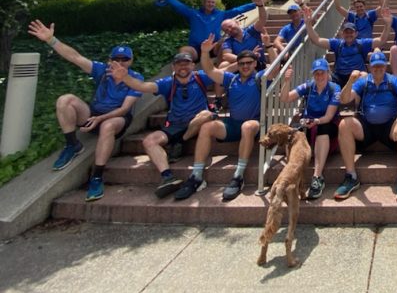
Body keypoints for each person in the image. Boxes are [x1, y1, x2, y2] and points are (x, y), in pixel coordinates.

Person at [28, 20, 143, 202]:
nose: (120, 63)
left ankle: (96, 177)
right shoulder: (102, 70)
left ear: (131, 61)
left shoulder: (136, 78)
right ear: (110, 60)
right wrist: (52, 40)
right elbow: (75, 57)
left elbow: (124, 109)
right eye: (116, 59)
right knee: (65, 100)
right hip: (93, 113)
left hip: (116, 118)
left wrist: (100, 119)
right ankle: (72, 144)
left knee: (107, 126)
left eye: (125, 60)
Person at [109, 50, 214, 199]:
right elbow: (144, 86)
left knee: (206, 115)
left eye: (186, 64)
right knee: (149, 141)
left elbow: (223, 72)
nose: (182, 67)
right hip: (175, 124)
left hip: (197, 123)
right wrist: (125, 77)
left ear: (192, 65)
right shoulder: (167, 83)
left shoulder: (201, 77)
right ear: (173, 67)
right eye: (179, 64)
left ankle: (180, 141)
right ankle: (167, 177)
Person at [174, 37, 264, 202]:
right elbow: (210, 70)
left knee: (247, 126)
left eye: (249, 62)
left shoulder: (260, 78)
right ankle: (197, 176)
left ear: (254, 64)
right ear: (238, 65)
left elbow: (275, 70)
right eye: (242, 63)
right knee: (207, 127)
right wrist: (206, 52)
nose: (245, 66)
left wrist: (270, 46)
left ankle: (238, 176)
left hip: (254, 124)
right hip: (233, 124)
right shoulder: (231, 79)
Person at [336, 51, 397, 202]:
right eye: (374, 67)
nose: (378, 69)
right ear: (370, 68)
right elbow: (344, 99)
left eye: (380, 66)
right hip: (367, 128)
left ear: (385, 67)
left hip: (389, 128)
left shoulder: (394, 81)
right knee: (344, 124)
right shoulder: (363, 82)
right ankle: (351, 177)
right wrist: (350, 81)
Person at [279, 58, 341, 200]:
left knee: (322, 129)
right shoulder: (308, 86)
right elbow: (285, 98)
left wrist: (316, 121)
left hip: (326, 123)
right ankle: (292, 176)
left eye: (322, 73)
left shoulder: (334, 88)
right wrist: (287, 81)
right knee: (292, 135)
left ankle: (317, 177)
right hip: (309, 123)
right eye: (316, 73)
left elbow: (329, 116)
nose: (319, 76)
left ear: (328, 73)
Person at [152, 0, 257, 55]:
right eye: (208, 2)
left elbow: (237, 10)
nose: (210, 4)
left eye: (212, 2)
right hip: (195, 48)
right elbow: (179, 6)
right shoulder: (193, 14)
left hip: (214, 47)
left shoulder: (221, 14)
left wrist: (254, 4)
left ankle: (219, 71)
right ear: (203, 3)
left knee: (223, 43)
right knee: (183, 51)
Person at [304, 5, 391, 88]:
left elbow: (381, 40)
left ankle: (361, 102)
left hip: (356, 76)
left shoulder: (362, 43)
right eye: (346, 32)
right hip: (339, 77)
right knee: (321, 77)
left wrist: (387, 24)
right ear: (342, 34)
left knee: (364, 76)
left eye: (351, 32)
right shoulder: (337, 44)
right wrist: (308, 24)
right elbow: (317, 40)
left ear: (356, 34)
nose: (348, 34)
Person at [219, 0, 268, 66]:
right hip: (241, 66)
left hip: (257, 64)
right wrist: (247, 57)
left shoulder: (252, 31)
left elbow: (262, 19)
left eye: (230, 26)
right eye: (226, 30)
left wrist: (260, 5)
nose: (229, 29)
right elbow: (226, 55)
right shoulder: (228, 41)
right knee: (224, 65)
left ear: (237, 23)